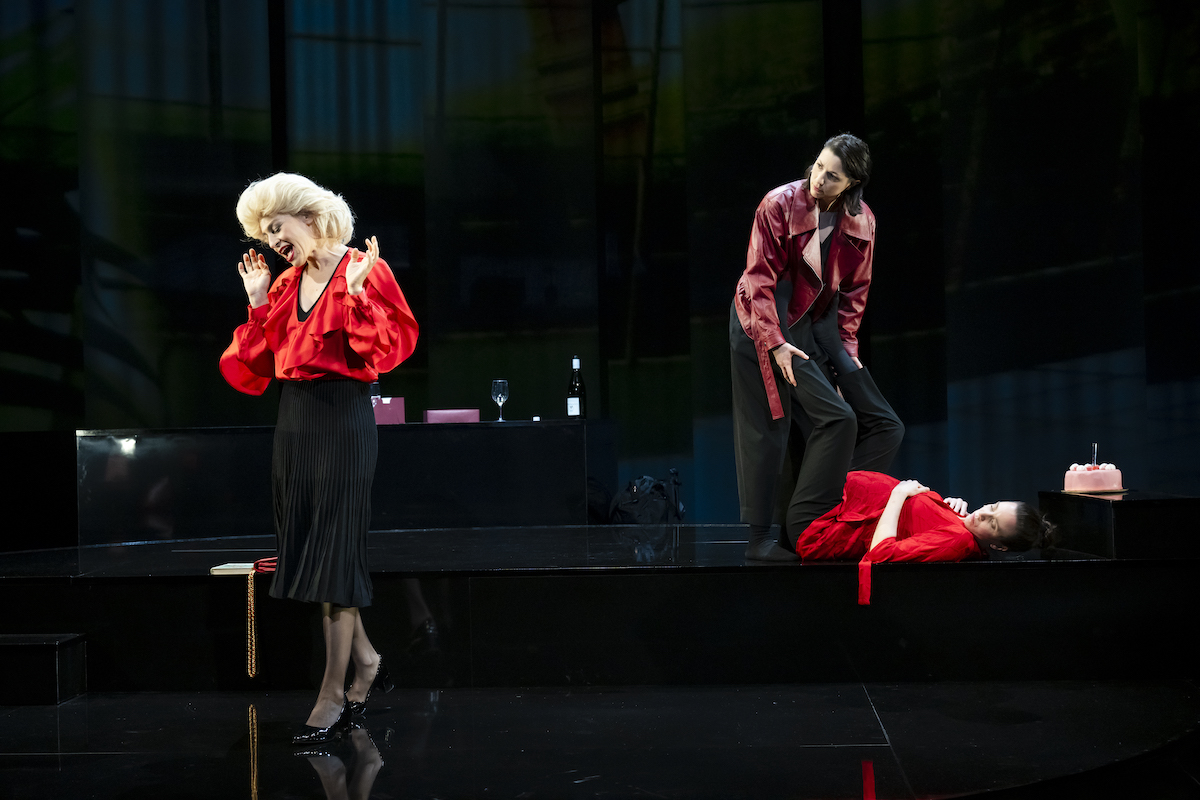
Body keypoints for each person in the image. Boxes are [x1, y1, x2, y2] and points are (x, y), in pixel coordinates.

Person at [220, 172, 419, 744]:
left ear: (308, 216)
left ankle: (334, 694)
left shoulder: (364, 268)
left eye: (276, 228)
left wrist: (356, 293)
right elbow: (260, 361)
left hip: (343, 418)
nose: (272, 242)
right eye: (264, 235)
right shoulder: (285, 283)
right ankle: (368, 661)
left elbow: (387, 348)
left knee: (336, 553)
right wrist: (258, 302)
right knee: (311, 549)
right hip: (295, 421)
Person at [731, 133, 903, 561]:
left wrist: (847, 358)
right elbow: (759, 280)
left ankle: (806, 526)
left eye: (832, 176)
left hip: (807, 324)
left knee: (824, 424)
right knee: (769, 424)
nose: (819, 179)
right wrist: (776, 344)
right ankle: (758, 540)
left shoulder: (862, 222)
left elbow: (854, 297)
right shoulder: (779, 204)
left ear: (852, 184)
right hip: (759, 321)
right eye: (820, 166)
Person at [796, 470, 1056, 603]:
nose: (984, 514)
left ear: (998, 546)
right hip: (844, 498)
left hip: (826, 520)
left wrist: (898, 494)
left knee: (846, 422)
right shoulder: (964, 524)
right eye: (993, 506)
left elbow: (880, 554)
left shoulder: (957, 542)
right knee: (885, 428)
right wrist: (948, 507)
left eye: (994, 524)